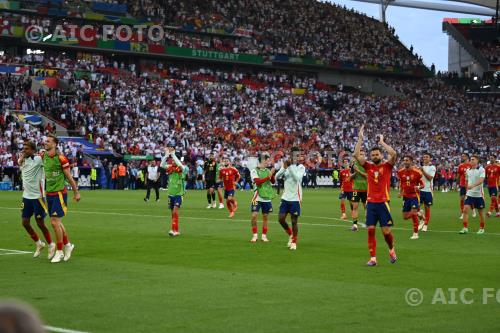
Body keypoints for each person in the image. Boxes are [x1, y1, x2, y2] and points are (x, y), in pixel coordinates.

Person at [353, 126, 397, 266]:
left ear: (381, 155)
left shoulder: (387, 166)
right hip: (371, 203)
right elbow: (355, 155)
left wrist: (382, 142)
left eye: (377, 154)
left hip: (383, 203)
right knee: (370, 230)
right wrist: (360, 138)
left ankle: (391, 249)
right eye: (373, 155)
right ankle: (373, 258)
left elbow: (394, 153)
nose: (375, 156)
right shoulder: (368, 167)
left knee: (386, 232)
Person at [42, 134, 80, 263]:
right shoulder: (43, 156)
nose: (45, 143)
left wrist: (76, 192)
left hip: (59, 193)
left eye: (48, 141)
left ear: (54, 144)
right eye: (45, 141)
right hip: (49, 193)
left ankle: (59, 251)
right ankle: (68, 245)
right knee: (57, 222)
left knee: (54, 222)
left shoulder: (61, 159)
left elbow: (69, 177)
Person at [18, 140, 55, 259]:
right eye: (23, 148)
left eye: (27, 148)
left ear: (33, 150)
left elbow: (50, 159)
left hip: (38, 197)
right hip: (26, 197)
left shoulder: (39, 159)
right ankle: (39, 244)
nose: (24, 150)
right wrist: (21, 159)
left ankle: (51, 244)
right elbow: (20, 163)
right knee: (25, 222)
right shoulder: (22, 160)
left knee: (40, 223)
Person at [275, 148, 306, 250]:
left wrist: (290, 167)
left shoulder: (301, 167)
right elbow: (276, 177)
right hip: (285, 197)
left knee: (294, 221)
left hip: (295, 198)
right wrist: (284, 168)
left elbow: (297, 178)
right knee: (281, 219)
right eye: (294, 155)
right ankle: (290, 234)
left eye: (297, 155)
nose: (296, 157)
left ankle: (294, 242)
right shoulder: (287, 165)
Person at [160, 147, 189, 237]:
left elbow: (180, 166)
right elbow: (161, 165)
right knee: (172, 213)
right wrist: (166, 155)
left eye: (173, 160)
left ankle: (173, 230)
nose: (172, 161)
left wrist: (172, 154)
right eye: (172, 160)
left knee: (175, 210)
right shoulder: (170, 167)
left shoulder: (185, 168)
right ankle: (176, 230)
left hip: (179, 194)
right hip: (170, 193)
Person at [250, 153, 276, 243]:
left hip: (266, 197)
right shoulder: (254, 171)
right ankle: (255, 235)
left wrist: (272, 174)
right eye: (266, 160)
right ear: (261, 160)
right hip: (256, 197)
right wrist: (269, 176)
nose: (268, 162)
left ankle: (264, 236)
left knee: (265, 217)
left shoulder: (268, 171)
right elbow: (258, 182)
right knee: (254, 216)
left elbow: (273, 181)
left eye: (268, 160)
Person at [397, 155, 424, 240]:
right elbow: (401, 183)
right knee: (405, 217)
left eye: (407, 160)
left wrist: (418, 187)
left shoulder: (417, 172)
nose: (405, 162)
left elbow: (422, 185)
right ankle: (421, 215)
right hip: (405, 196)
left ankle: (415, 233)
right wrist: (400, 192)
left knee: (413, 213)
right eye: (404, 160)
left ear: (411, 161)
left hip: (414, 196)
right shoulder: (400, 172)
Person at [459, 155, 486, 234]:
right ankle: (465, 228)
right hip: (470, 194)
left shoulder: (481, 169)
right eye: (471, 159)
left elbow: (481, 180)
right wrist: (467, 188)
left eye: (473, 159)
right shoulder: (468, 170)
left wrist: (472, 186)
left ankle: (482, 228)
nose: (471, 161)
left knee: (480, 212)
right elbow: (466, 180)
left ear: (477, 160)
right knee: (465, 209)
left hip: (479, 195)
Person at [418, 152, 436, 231]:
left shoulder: (432, 167)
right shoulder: (420, 168)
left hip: (428, 190)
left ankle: (425, 225)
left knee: (427, 208)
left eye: (427, 157)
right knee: (415, 208)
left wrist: (422, 171)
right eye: (424, 157)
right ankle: (422, 218)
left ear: (430, 158)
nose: (425, 158)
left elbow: (429, 178)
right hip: (420, 190)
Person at [350, 151, 367, 231]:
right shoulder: (354, 165)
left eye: (362, 154)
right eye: (360, 154)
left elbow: (368, 176)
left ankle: (368, 222)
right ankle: (355, 225)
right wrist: (354, 174)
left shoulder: (367, 165)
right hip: (356, 189)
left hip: (366, 189)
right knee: (355, 207)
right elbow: (350, 178)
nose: (361, 156)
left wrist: (359, 172)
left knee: (366, 207)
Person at [457, 153, 476, 219]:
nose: (462, 157)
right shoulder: (460, 166)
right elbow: (458, 176)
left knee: (469, 199)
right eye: (462, 156)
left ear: (467, 157)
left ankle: (473, 210)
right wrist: (457, 184)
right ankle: (462, 213)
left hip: (470, 184)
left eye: (464, 156)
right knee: (462, 199)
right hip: (462, 184)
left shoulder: (471, 165)